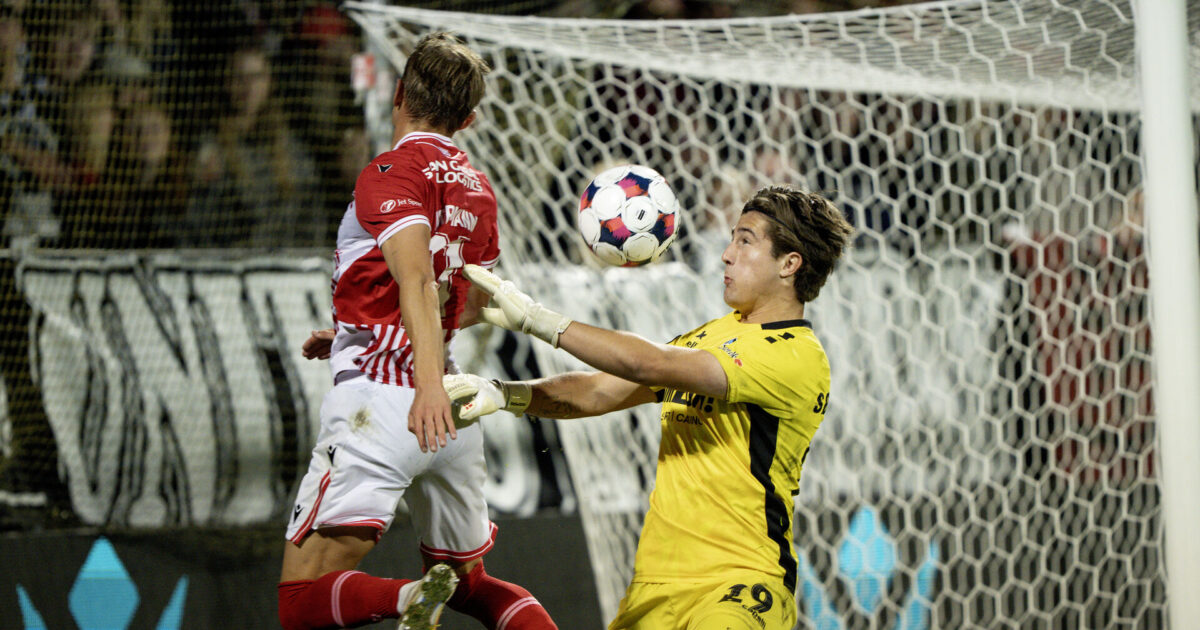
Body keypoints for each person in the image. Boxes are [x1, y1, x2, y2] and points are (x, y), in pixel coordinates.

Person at [445, 185, 854, 630]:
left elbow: (648, 362)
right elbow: (599, 392)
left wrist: (538, 320)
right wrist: (507, 394)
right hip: (654, 590)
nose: (726, 254)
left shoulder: (794, 354)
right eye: (732, 238)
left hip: (736, 587)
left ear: (789, 264)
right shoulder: (712, 336)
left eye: (745, 240)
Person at [278, 32, 557, 630]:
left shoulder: (388, 170)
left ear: (399, 93)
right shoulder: (478, 189)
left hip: (386, 406)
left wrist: (421, 382)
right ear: (471, 118)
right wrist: (359, 325)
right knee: (471, 585)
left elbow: (419, 284)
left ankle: (405, 600)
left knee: (301, 602)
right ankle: (435, 594)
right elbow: (461, 296)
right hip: (454, 411)